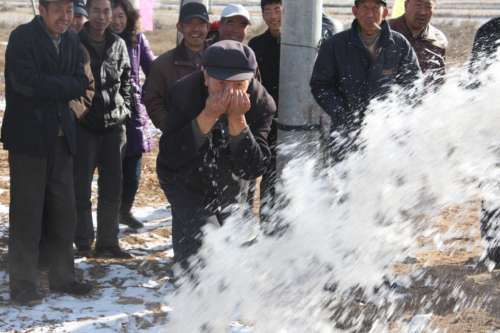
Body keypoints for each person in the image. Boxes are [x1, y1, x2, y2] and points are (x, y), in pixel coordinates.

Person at [3, 0, 94, 305]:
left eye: (69, 9)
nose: (65, 16)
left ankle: (63, 277)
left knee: (65, 211)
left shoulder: (71, 40)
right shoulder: (22, 37)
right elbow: (24, 82)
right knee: (27, 213)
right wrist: (64, 86)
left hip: (62, 136)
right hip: (29, 138)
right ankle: (23, 283)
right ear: (41, 10)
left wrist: (57, 85)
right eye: (58, 9)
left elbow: (82, 82)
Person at [157, 40, 276, 268]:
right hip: (183, 179)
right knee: (206, 244)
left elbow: (252, 169)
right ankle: (188, 286)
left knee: (229, 248)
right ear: (205, 76)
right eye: (221, 83)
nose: (230, 91)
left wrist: (238, 120)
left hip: (230, 182)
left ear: (250, 79)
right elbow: (172, 154)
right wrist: (208, 115)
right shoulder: (182, 93)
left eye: (239, 84)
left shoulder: (262, 104)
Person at [310, 0, 421, 164]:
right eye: (365, 8)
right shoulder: (335, 45)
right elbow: (321, 84)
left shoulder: (399, 44)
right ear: (355, 11)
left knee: (385, 184)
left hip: (387, 138)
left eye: (375, 8)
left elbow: (413, 85)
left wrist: (395, 114)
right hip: (346, 135)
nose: (370, 14)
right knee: (348, 185)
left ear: (384, 14)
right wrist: (342, 113)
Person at [74, 0, 133, 259]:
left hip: (113, 128)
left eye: (106, 11)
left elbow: (127, 83)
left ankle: (108, 241)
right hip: (83, 126)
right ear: (88, 12)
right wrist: (77, 116)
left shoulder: (119, 44)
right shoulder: (74, 42)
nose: (101, 16)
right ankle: (83, 240)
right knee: (80, 185)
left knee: (112, 187)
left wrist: (125, 110)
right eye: (96, 10)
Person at [39, 0, 96, 264]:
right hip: (36, 131)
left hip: (70, 131)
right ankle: (38, 249)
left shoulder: (79, 50)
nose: (71, 21)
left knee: (64, 196)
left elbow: (86, 89)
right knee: (35, 197)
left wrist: (68, 112)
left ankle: (59, 254)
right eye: (65, 14)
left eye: (76, 16)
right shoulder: (36, 42)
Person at [109, 0, 155, 229]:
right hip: (106, 110)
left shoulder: (138, 40)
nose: (116, 21)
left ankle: (124, 210)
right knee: (110, 168)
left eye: (121, 16)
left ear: (129, 18)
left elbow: (153, 69)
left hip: (133, 113)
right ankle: (108, 216)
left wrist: (143, 95)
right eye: (112, 16)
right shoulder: (99, 39)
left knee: (133, 168)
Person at [144, 2, 210, 132]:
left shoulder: (219, 60)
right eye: (190, 23)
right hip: (178, 142)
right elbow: (153, 102)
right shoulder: (162, 65)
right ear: (180, 27)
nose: (195, 28)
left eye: (201, 23)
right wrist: (172, 128)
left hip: (215, 141)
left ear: (208, 27)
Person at [468, 17, 500, 268]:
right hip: (494, 125)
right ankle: (495, 249)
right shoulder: (490, 31)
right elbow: (477, 80)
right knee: (493, 187)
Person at [388, 0, 447, 84]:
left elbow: (439, 82)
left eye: (428, 7)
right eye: (418, 5)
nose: (422, 12)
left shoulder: (438, 39)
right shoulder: (386, 32)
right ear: (406, 5)